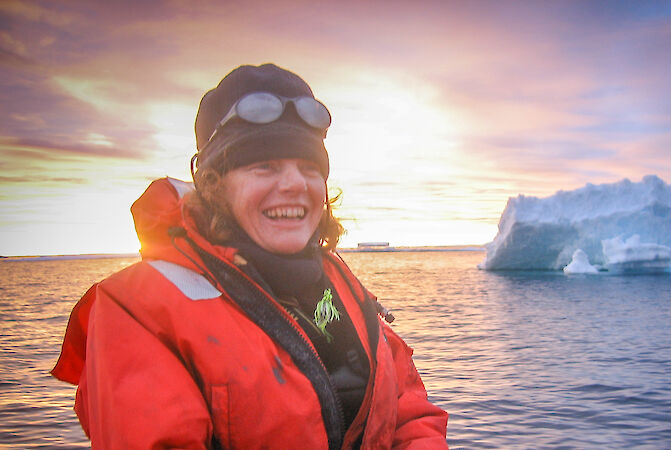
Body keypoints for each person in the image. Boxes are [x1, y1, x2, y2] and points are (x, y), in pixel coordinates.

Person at [52, 63, 448, 449]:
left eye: (309, 167)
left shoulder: (338, 280)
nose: (295, 183)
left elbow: (408, 409)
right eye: (264, 166)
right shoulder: (138, 311)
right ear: (213, 184)